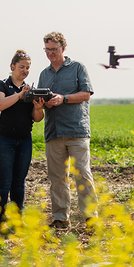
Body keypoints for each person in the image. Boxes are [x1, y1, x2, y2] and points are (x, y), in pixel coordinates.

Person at [37, 32, 98, 229]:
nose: (50, 53)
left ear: (63, 48)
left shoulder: (78, 68)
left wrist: (63, 98)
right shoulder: (44, 74)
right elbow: (41, 100)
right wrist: (41, 102)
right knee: (57, 177)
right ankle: (61, 218)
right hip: (53, 130)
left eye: (54, 49)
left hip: (76, 129)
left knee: (82, 173)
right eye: (47, 49)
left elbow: (86, 94)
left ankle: (91, 216)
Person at [0, 50, 45, 223]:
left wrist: (38, 107)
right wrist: (20, 95)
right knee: (4, 181)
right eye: (21, 67)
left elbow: (37, 119)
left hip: (24, 140)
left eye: (28, 68)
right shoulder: (2, 85)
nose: (25, 71)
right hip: (2, 138)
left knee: (19, 182)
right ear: (12, 67)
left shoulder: (30, 89)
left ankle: (16, 220)